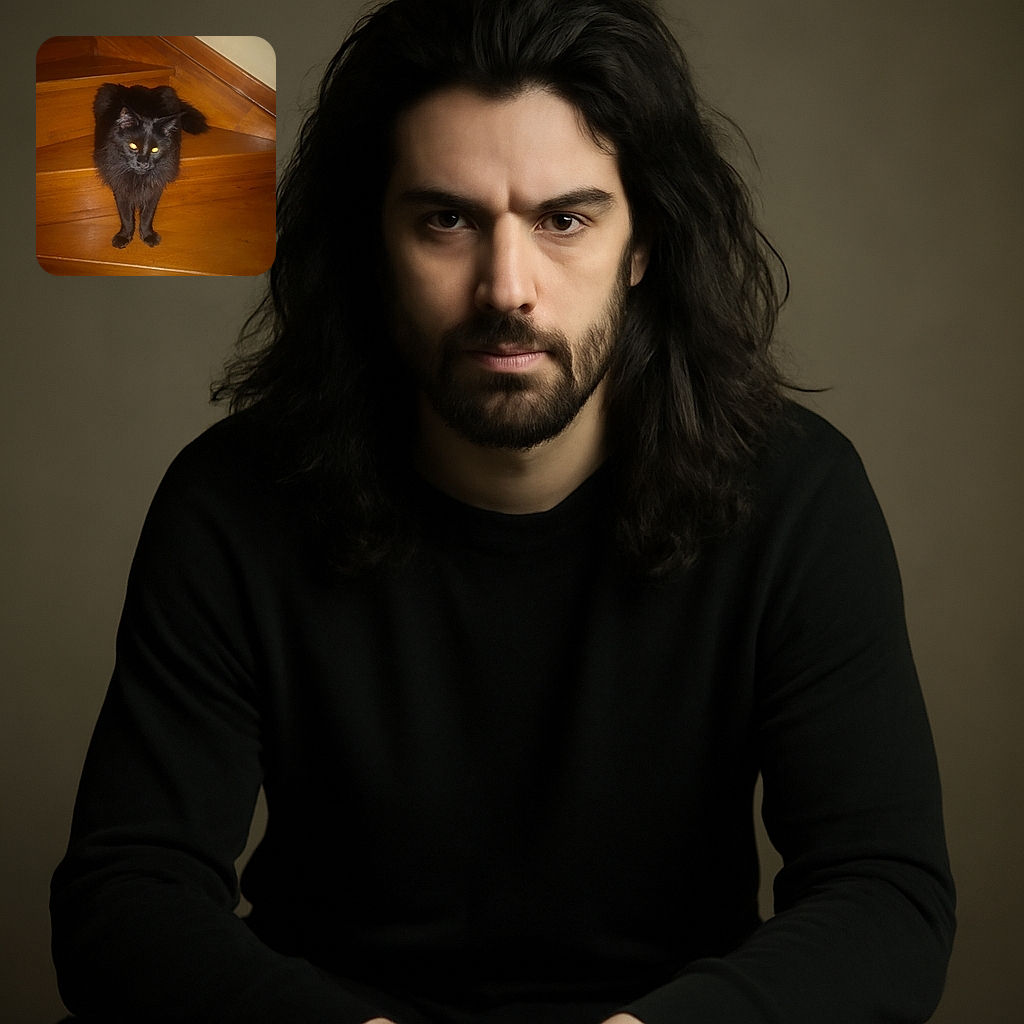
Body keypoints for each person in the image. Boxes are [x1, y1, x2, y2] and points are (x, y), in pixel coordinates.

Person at [50, 1, 955, 1022]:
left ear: (642, 240)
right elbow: (124, 903)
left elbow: (886, 896)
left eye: (564, 218)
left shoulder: (796, 495)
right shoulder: (231, 501)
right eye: (446, 219)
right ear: (374, 240)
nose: (506, 286)